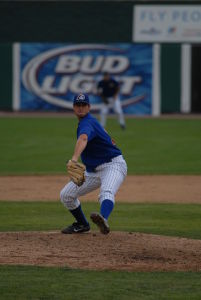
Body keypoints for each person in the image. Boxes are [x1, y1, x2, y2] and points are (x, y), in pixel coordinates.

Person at [60, 93, 127, 235]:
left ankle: (103, 219)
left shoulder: (87, 122)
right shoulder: (91, 122)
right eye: (78, 105)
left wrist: (74, 158)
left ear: (89, 107)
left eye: (84, 105)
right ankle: (82, 224)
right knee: (66, 195)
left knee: (106, 191)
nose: (80, 108)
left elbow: (84, 138)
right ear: (73, 107)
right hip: (92, 172)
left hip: (112, 165)